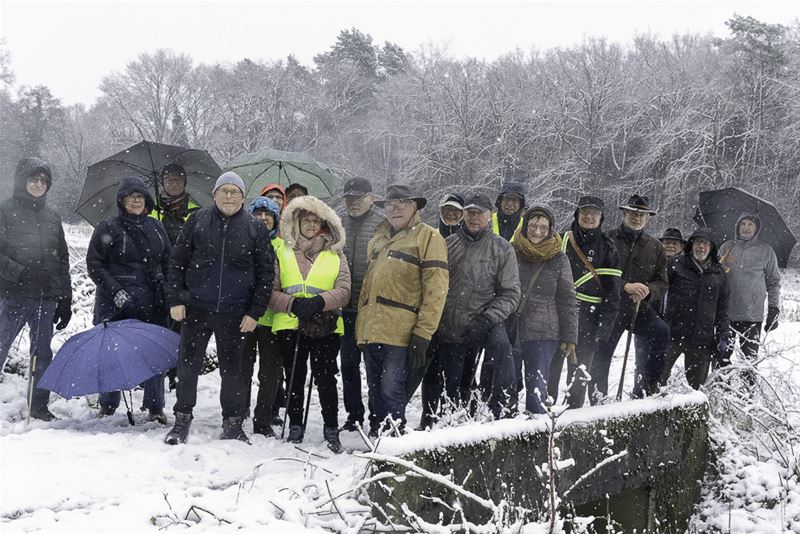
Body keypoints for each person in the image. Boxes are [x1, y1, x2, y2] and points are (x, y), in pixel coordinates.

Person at [164, 171, 274, 445]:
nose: (228, 196)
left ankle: (233, 423)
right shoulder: (197, 221)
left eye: (234, 192)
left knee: (233, 371)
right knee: (187, 367)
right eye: (223, 191)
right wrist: (176, 299)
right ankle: (182, 420)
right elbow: (177, 262)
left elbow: (265, 274)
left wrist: (254, 312)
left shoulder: (255, 227)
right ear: (214, 195)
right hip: (196, 309)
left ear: (242, 197)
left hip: (235, 313)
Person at [414, 193, 519, 428]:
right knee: (442, 378)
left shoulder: (502, 249)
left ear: (488, 216)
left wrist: (487, 319)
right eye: (470, 213)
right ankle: (431, 420)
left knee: (500, 350)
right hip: (448, 325)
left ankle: (503, 411)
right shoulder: (447, 244)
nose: (474, 218)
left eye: (479, 214)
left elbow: (511, 294)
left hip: (483, 322)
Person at [357, 184, 448, 436]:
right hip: (371, 329)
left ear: (415, 207)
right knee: (374, 389)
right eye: (389, 204)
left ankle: (394, 439)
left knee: (391, 388)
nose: (395, 208)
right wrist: (360, 328)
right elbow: (367, 286)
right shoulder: (377, 240)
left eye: (402, 203)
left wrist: (424, 332)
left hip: (402, 331)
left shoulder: (429, 237)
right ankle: (377, 436)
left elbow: (436, 289)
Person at [269, 195, 351, 452]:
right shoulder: (281, 252)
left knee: (326, 376)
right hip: (290, 322)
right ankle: (295, 424)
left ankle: (330, 426)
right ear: (297, 222)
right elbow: (271, 292)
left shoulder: (336, 253)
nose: (312, 226)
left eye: (317, 221)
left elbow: (345, 290)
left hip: (325, 323)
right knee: (294, 376)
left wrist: (319, 302)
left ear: (325, 224)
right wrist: (293, 303)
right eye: (307, 221)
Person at [86, 176, 171, 422]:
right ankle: (108, 404)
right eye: (131, 196)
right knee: (112, 353)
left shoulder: (156, 227)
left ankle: (155, 407)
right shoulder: (108, 227)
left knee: (152, 352)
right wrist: (116, 292)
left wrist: (165, 287)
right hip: (114, 303)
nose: (136, 200)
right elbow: (95, 264)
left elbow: (167, 260)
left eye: (140, 196)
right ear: (122, 201)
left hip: (150, 299)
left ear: (147, 200)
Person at [0, 158, 72, 421]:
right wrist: (23, 274)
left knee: (42, 353)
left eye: (43, 181)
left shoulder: (52, 217)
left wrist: (66, 298)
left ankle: (38, 405)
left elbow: (62, 260)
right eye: (34, 179)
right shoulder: (4, 211)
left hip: (46, 298)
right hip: (13, 295)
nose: (39, 184)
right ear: (23, 181)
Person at [590, 194, 669, 402]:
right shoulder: (607, 239)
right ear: (624, 213)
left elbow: (663, 283)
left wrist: (648, 290)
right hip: (609, 307)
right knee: (601, 356)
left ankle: (649, 389)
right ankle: (598, 401)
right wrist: (625, 285)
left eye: (642, 214)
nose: (637, 217)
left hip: (638, 308)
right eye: (633, 213)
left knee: (661, 332)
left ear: (648, 218)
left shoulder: (656, 247)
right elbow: (596, 273)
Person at [548, 196, 621, 409]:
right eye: (585, 212)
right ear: (577, 215)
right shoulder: (560, 240)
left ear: (601, 218)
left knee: (579, 372)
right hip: (559, 313)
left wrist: (604, 328)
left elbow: (612, 292)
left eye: (594, 214)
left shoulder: (608, 248)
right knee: (552, 367)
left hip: (589, 317)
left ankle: (573, 414)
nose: (589, 217)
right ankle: (547, 412)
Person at [510, 206, 577, 414]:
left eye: (543, 227)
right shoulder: (511, 250)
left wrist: (570, 336)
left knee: (537, 390)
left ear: (550, 229)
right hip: (512, 328)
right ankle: (504, 432)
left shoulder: (559, 258)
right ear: (525, 226)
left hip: (544, 332)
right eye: (532, 226)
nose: (537, 231)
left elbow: (567, 299)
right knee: (507, 387)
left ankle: (537, 437)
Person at [338, 176, 383, 432]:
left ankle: (377, 417)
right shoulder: (337, 224)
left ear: (371, 199)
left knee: (373, 365)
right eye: (349, 199)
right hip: (344, 308)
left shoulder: (383, 225)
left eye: (358, 198)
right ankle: (354, 415)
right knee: (348, 364)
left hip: (372, 309)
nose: (353, 203)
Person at [661, 228, 729, 389]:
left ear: (711, 248)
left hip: (702, 338)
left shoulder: (718, 273)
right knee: (657, 379)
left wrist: (723, 334)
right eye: (698, 242)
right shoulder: (675, 265)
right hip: (672, 334)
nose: (701, 247)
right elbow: (659, 292)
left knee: (697, 389)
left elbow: (723, 308)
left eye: (705, 243)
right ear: (691, 245)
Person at [718, 213, 781, 384]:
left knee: (749, 364)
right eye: (743, 224)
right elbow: (714, 277)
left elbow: (774, 282)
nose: (746, 228)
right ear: (737, 227)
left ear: (757, 228)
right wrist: (722, 264)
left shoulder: (766, 251)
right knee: (721, 359)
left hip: (752, 317)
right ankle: (720, 396)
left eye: (750, 225)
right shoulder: (727, 247)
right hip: (725, 315)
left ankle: (747, 400)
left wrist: (774, 309)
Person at [241, 196, 284, 437]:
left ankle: (263, 418)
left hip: (272, 318)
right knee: (242, 368)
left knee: (270, 372)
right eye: (258, 214)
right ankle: (239, 411)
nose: (264, 218)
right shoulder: (243, 243)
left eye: (269, 215)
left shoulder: (283, 247)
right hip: (245, 316)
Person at [632, 227, 684, 367]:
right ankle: (640, 388)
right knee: (642, 362)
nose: (670, 246)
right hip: (648, 318)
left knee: (662, 365)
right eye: (667, 242)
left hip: (673, 323)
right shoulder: (650, 262)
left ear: (681, 247)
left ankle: (656, 388)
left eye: (675, 243)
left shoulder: (686, 268)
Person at [150, 163, 201, 245]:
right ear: (162, 182)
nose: (174, 184)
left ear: (185, 183)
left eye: (178, 180)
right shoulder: (149, 207)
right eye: (169, 180)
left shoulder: (196, 211)